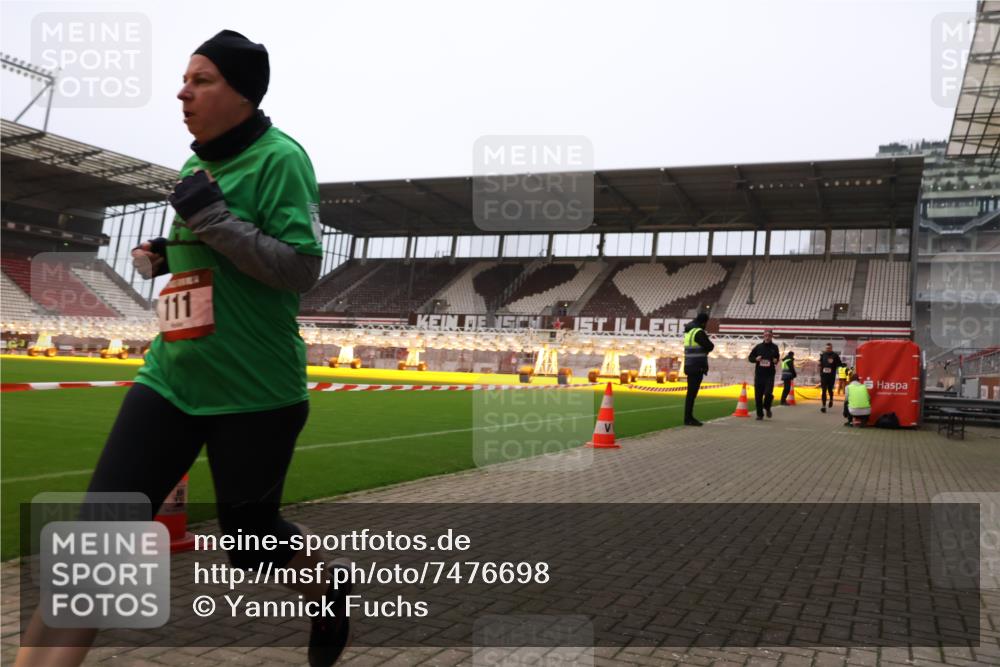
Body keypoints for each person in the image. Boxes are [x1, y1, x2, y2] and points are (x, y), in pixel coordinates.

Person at [17, 31, 350, 667]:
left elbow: (300, 268)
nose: (182, 90)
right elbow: (207, 250)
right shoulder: (196, 165)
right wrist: (165, 253)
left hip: (254, 393)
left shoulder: (283, 159)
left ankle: (326, 589)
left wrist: (214, 223)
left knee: (250, 542)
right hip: (170, 378)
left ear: (243, 94)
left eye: (202, 80)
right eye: (185, 78)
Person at [682, 311, 714, 426]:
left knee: (690, 393)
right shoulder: (698, 332)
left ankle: (688, 417)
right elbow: (710, 346)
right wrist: (705, 350)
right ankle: (688, 418)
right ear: (704, 322)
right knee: (692, 394)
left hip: (689, 365)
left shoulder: (689, 332)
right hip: (697, 366)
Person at [747, 329, 780, 420]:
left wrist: (776, 360)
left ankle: (767, 406)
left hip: (769, 375)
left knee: (768, 393)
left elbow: (777, 358)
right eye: (766, 335)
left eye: (769, 335)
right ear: (763, 336)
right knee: (758, 396)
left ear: (771, 336)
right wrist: (756, 359)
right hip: (759, 375)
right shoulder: (758, 347)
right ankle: (759, 415)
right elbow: (750, 358)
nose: (767, 337)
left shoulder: (775, 347)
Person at [817, 342, 843, 413]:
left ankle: (831, 399)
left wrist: (841, 365)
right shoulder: (823, 355)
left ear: (831, 348)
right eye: (826, 348)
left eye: (829, 348)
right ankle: (823, 406)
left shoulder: (835, 355)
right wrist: (819, 364)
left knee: (830, 390)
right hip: (823, 375)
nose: (827, 349)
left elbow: (839, 363)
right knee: (824, 390)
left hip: (831, 376)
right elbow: (820, 362)